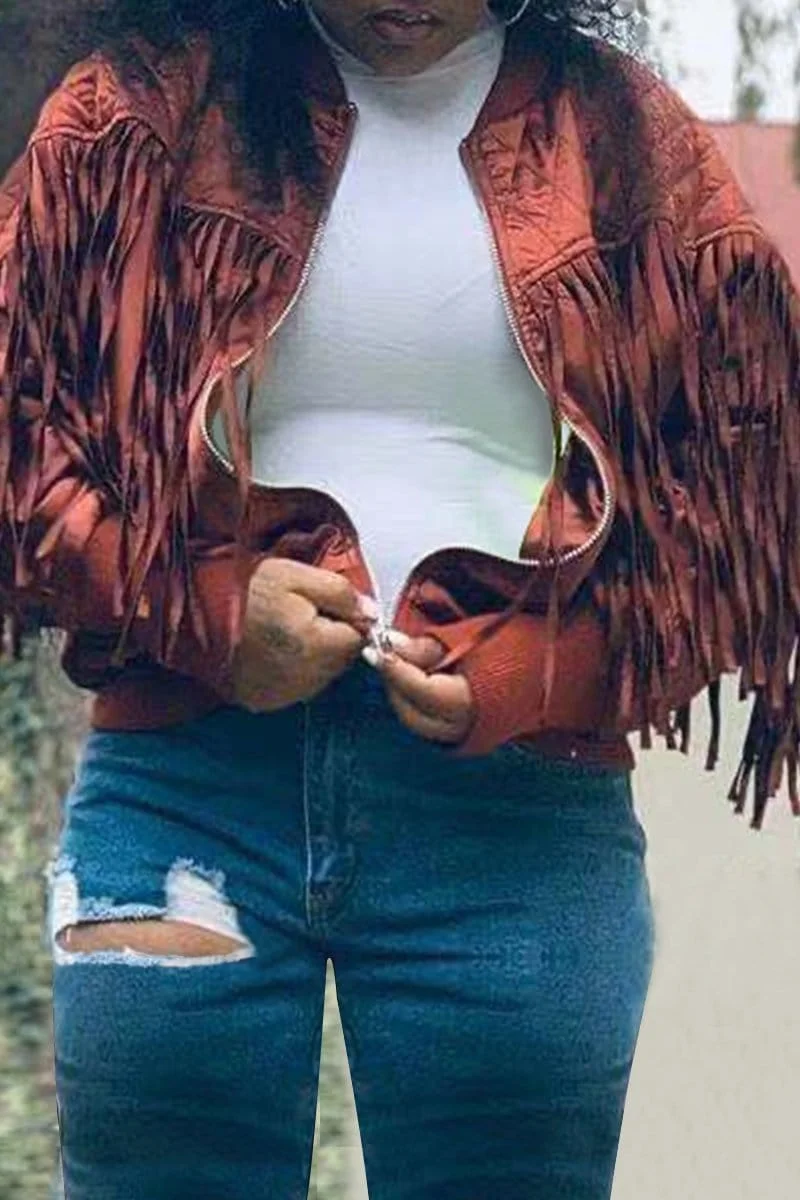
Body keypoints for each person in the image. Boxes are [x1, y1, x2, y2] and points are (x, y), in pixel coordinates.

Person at [1, 0, 798, 1196]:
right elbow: (18, 433)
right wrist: (205, 611)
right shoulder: (142, 111)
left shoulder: (622, 139)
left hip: (516, 809)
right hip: (188, 787)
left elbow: (752, 494)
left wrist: (535, 669)